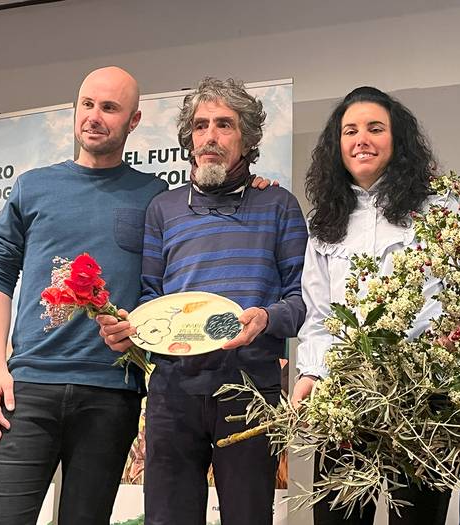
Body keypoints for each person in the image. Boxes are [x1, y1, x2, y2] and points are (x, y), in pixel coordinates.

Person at [98, 77, 307, 525]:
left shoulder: (279, 205)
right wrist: (132, 328)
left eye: (224, 125)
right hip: (173, 391)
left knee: (249, 518)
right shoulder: (163, 209)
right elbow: (151, 296)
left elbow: (300, 301)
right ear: (189, 138)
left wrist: (265, 317)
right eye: (200, 126)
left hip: (251, 390)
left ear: (247, 138)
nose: (210, 136)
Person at [0, 66, 168, 525]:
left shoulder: (155, 197)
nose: (94, 116)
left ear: (134, 120)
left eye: (109, 107)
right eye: (87, 104)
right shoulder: (33, 186)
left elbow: (161, 288)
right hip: (26, 390)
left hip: (111, 394)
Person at [290, 86, 452, 525]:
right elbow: (319, 315)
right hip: (345, 393)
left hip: (421, 397)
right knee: (337, 517)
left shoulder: (436, 209)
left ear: (397, 140)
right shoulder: (324, 221)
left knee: (418, 517)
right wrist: (311, 373)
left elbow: (454, 298)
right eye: (350, 131)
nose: (361, 139)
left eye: (375, 129)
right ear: (337, 145)